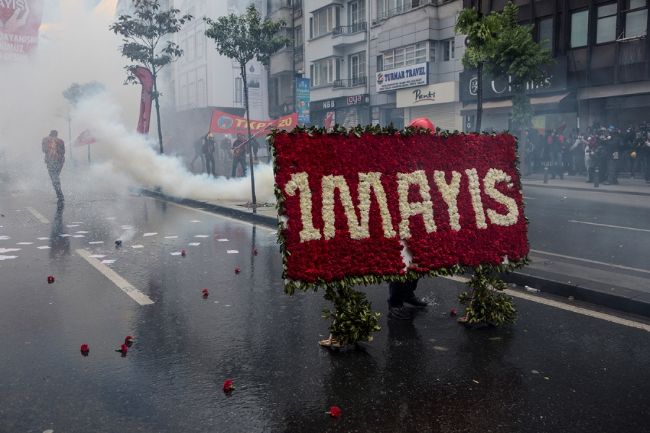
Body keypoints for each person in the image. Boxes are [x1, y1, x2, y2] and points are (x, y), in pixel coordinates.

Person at [386, 117, 434, 320]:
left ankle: (409, 293)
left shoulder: (427, 156)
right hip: (401, 215)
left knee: (418, 260)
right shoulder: (398, 154)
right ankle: (395, 301)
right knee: (402, 260)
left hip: (421, 215)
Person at [42, 130, 65, 200]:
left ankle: (59, 194)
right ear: (56, 135)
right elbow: (63, 152)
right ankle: (59, 192)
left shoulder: (45, 140)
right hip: (60, 161)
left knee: (54, 177)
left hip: (51, 161)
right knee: (56, 176)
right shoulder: (60, 141)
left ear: (50, 134)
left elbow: (44, 150)